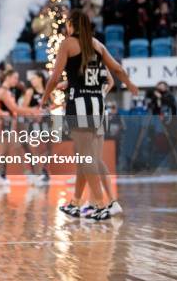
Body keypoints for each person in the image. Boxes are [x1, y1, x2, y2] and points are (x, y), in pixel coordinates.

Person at [41, 11, 138, 221]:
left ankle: (101, 204)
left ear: (71, 24)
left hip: (79, 105)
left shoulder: (68, 43)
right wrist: (130, 85)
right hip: (98, 105)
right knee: (88, 157)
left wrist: (45, 96)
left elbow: (54, 76)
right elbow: (118, 69)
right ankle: (78, 202)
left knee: (86, 158)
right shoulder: (97, 45)